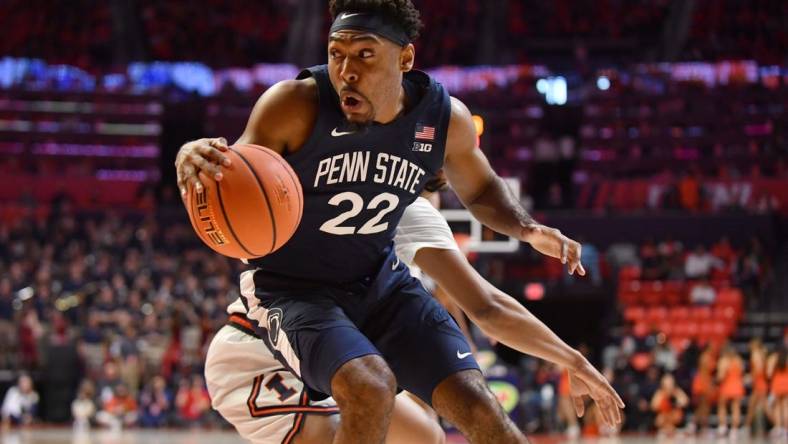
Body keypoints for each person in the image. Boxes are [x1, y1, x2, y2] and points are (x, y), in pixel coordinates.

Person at [177, 1, 623, 442]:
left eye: (365, 54)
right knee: (370, 387)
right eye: (337, 54)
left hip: (380, 287)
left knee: (480, 407)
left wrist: (528, 229)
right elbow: (228, 178)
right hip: (294, 292)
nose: (346, 70)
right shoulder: (295, 105)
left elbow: (483, 202)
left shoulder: (440, 131)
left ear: (405, 58)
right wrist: (189, 157)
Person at [206, 191, 623, 443]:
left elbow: (465, 307)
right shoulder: (400, 206)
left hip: (334, 350)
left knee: (426, 436)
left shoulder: (413, 227)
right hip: (258, 353)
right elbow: (486, 306)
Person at [716, 346, 744, 437]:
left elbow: (721, 376)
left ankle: (722, 427)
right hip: (737, 385)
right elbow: (741, 372)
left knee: (722, 406)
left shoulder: (724, 361)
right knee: (736, 408)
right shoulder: (738, 360)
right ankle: (734, 430)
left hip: (727, 386)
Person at [744, 339, 768, 435]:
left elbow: (758, 369)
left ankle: (781, 426)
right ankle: (747, 427)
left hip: (759, 383)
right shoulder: (761, 354)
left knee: (760, 407)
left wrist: (750, 377)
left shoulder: (755, 354)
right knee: (753, 406)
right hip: (760, 382)